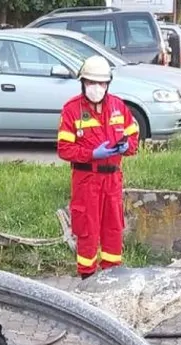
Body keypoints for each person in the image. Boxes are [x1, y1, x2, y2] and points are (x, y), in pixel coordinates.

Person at [56, 56, 140, 279]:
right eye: (91, 83)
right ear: (83, 83)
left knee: (113, 230)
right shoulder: (72, 110)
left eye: (101, 83)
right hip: (86, 181)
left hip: (112, 181)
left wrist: (125, 147)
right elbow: (64, 149)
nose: (96, 88)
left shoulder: (118, 107)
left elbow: (133, 138)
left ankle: (112, 277)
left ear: (108, 84)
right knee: (88, 231)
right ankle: (87, 278)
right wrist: (92, 154)